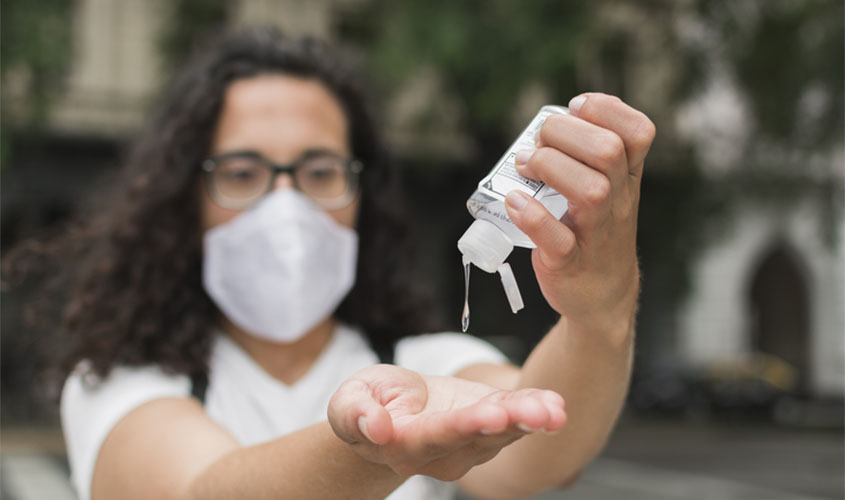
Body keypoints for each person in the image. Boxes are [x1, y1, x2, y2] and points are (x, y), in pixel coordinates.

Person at [34, 27, 654, 500]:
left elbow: (542, 443)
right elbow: (202, 488)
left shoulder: (421, 364)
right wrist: (367, 453)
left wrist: (602, 313)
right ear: (185, 202)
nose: (287, 206)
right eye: (244, 173)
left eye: (319, 171)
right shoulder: (118, 380)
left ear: (364, 197)